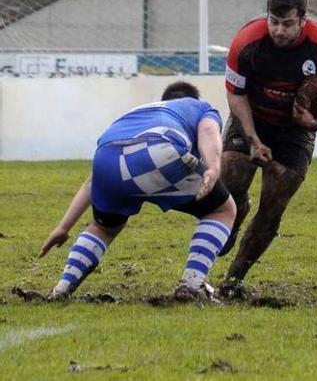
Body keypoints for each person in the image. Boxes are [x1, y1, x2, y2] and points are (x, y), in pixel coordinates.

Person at [219, 0, 317, 295]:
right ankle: (234, 213)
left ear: (303, 18)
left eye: (287, 24)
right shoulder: (247, 41)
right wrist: (253, 139)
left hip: (295, 133)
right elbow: (235, 95)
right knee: (230, 179)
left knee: (273, 207)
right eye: (274, 22)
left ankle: (233, 280)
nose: (279, 31)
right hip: (251, 119)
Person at [39, 81, 236, 301]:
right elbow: (209, 130)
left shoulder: (136, 113)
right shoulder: (199, 107)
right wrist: (213, 165)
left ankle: (61, 289)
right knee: (222, 210)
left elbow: (92, 180)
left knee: (104, 228)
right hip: (158, 149)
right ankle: (191, 287)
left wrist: (63, 227)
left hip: (106, 159)